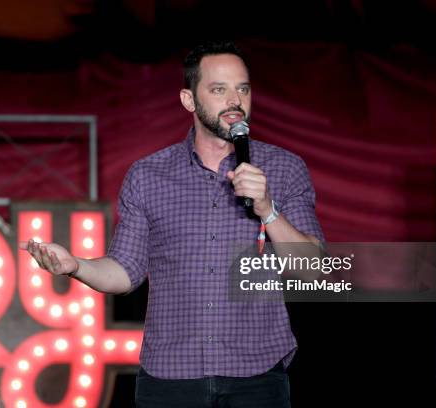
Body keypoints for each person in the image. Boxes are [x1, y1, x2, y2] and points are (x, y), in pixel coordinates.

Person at [21, 40, 324, 407]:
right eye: (218, 89)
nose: (235, 101)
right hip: (171, 381)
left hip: (257, 378)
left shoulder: (284, 168)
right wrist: (75, 266)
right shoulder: (148, 176)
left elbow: (315, 270)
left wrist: (268, 210)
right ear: (188, 100)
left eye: (242, 88)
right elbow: (124, 273)